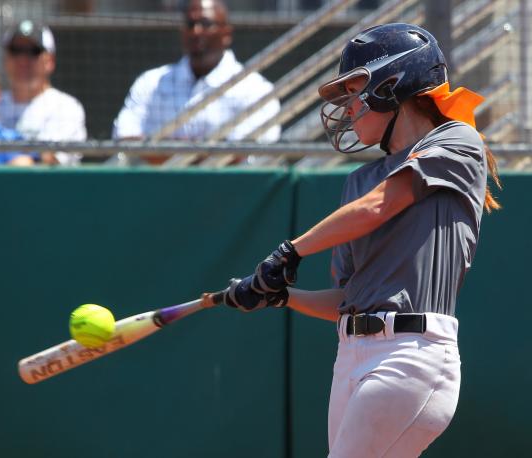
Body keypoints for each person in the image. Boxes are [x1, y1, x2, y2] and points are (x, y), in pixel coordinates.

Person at [208, 23, 502, 457]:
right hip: (352, 357)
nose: (348, 107)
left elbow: (382, 205)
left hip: (411, 354)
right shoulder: (359, 181)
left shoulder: (456, 140)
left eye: (356, 88)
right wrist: (281, 295)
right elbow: (349, 298)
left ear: (393, 83)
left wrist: (289, 251)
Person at [112, 0, 281, 157]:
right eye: (190, 24)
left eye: (206, 24)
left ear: (226, 33)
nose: (196, 31)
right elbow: (123, 138)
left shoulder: (254, 88)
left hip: (229, 188)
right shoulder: (151, 82)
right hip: (159, 185)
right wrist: (202, 151)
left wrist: (165, 151)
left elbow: (253, 151)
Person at [0, 19, 87, 165]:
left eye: (33, 51)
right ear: (6, 58)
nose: (22, 59)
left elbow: (51, 159)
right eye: (15, 50)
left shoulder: (65, 106)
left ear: (49, 61)